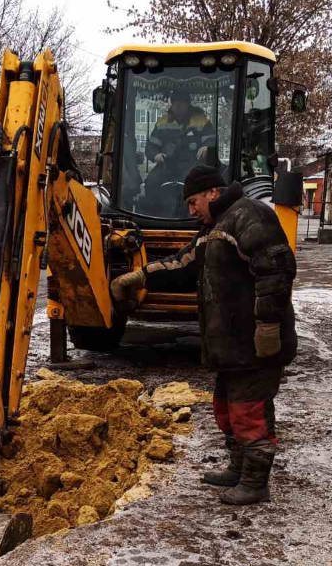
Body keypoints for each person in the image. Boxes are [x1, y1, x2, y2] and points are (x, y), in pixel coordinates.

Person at [110, 165, 297, 506]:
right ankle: (239, 468)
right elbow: (183, 262)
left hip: (254, 341)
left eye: (193, 201)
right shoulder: (215, 228)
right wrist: (140, 276)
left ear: (213, 192)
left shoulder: (250, 216)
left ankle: (256, 482)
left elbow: (276, 270)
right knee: (226, 409)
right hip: (232, 343)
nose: (190, 210)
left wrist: (268, 327)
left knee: (248, 410)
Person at [144, 89, 216, 187]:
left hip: (193, 163)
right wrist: (156, 155)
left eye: (181, 103)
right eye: (175, 103)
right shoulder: (162, 123)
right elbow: (151, 146)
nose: (177, 106)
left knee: (194, 184)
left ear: (188, 104)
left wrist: (206, 147)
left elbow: (211, 139)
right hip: (167, 163)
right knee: (151, 182)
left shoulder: (201, 120)